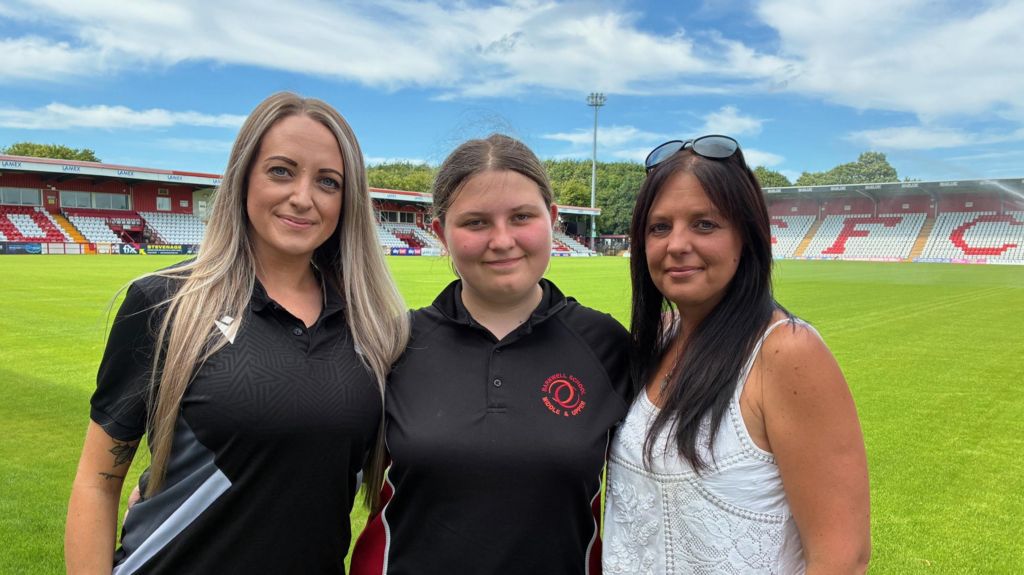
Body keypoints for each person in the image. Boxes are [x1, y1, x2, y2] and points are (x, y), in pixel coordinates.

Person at [65, 92, 409, 574]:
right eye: (281, 171)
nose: (303, 197)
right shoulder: (164, 302)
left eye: (328, 182)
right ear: (244, 175)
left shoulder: (375, 329)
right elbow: (98, 483)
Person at [350, 134, 634, 574]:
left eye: (521, 217)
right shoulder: (392, 343)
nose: (502, 240)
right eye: (476, 222)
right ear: (441, 233)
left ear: (553, 220)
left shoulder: (607, 345)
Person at [603, 136, 870, 574]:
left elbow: (843, 559)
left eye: (704, 224)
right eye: (659, 226)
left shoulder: (786, 353)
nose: (677, 244)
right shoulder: (660, 340)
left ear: (746, 236)